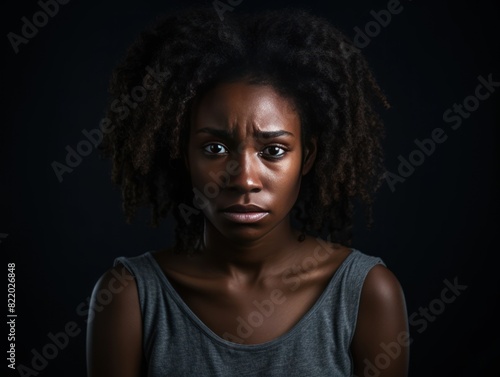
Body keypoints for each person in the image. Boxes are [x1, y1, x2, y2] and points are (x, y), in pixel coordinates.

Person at [86, 5, 409, 377]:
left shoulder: (367, 293)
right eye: (215, 149)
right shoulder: (129, 297)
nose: (244, 179)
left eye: (273, 151)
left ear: (308, 156)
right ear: (183, 153)